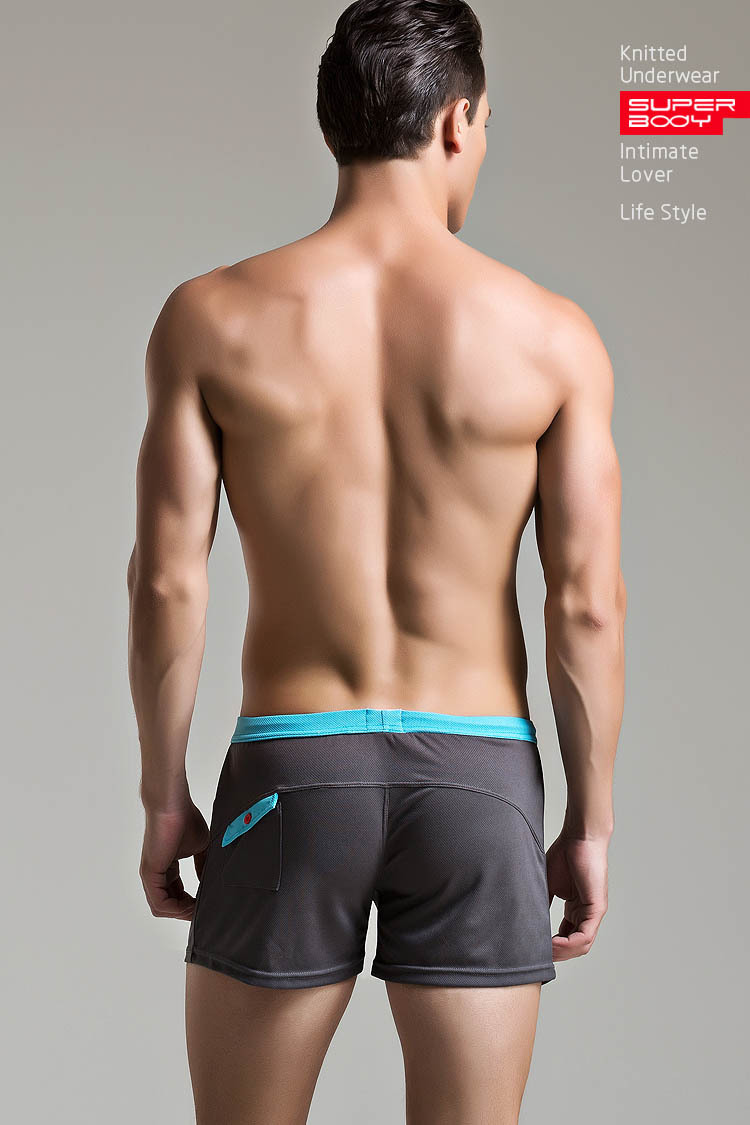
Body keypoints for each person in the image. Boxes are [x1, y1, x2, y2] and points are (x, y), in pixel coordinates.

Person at [127, 1, 626, 1121]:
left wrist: (165, 797)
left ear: (335, 122)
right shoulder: (553, 336)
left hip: (292, 773)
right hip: (480, 784)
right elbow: (587, 606)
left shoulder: (211, 318)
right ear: (456, 122)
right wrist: (590, 824)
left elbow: (167, 581)